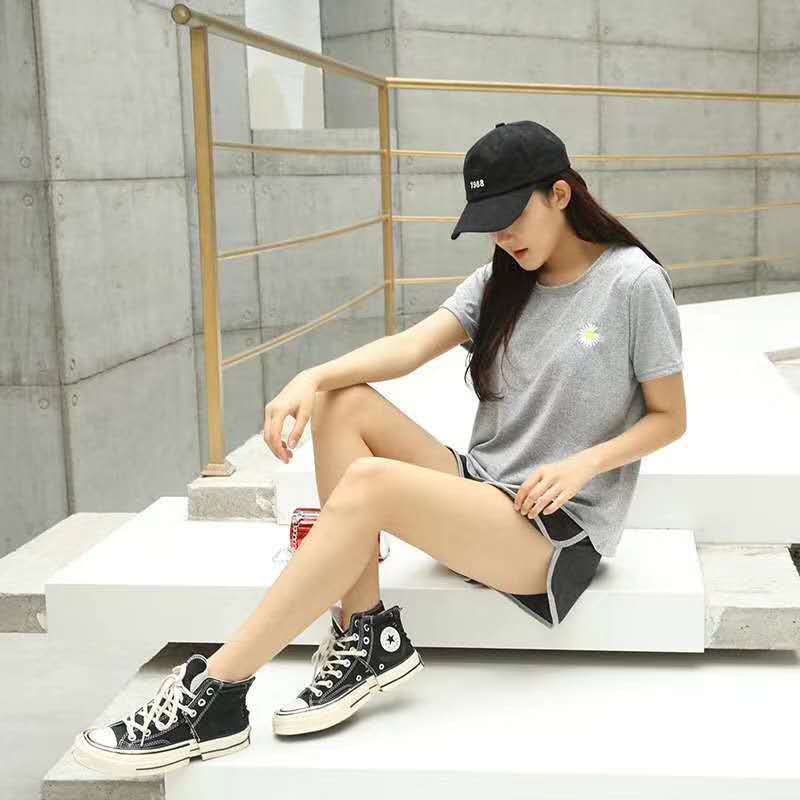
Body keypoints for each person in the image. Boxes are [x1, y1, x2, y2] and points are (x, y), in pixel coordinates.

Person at [72, 120, 686, 776]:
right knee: (341, 401)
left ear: (560, 195)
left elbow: (670, 418)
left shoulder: (632, 284)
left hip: (552, 535)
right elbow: (409, 348)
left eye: (512, 219)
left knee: (369, 483)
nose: (504, 238)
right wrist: (312, 378)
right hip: (483, 495)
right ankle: (364, 632)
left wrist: (585, 463)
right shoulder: (501, 279)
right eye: (490, 226)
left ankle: (218, 692)